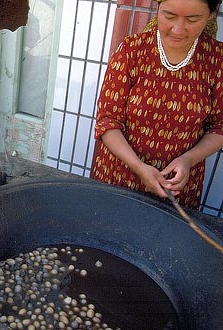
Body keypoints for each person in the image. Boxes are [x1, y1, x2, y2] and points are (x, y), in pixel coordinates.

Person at [91, 0, 223, 210]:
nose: (178, 29)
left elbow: (220, 126)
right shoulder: (131, 50)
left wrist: (188, 160)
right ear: (158, 9)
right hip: (117, 177)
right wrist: (138, 167)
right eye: (169, 16)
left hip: (178, 188)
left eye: (192, 19)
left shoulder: (217, 60)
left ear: (211, 15)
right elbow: (107, 122)